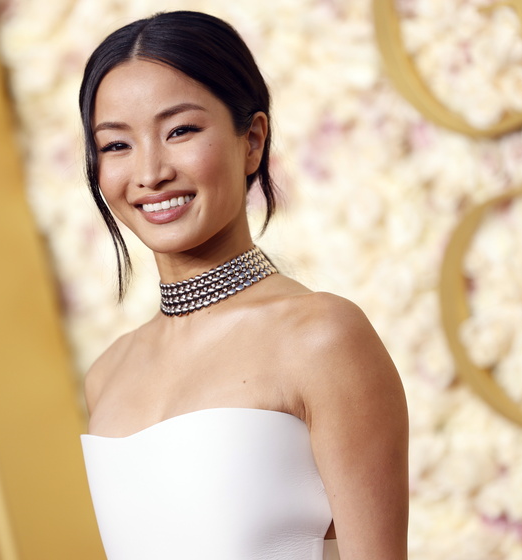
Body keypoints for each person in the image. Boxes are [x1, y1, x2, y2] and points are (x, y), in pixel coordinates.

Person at [78, 11, 408, 560]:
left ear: (252, 140)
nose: (150, 171)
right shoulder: (106, 375)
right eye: (117, 145)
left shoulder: (323, 337)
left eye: (180, 131)